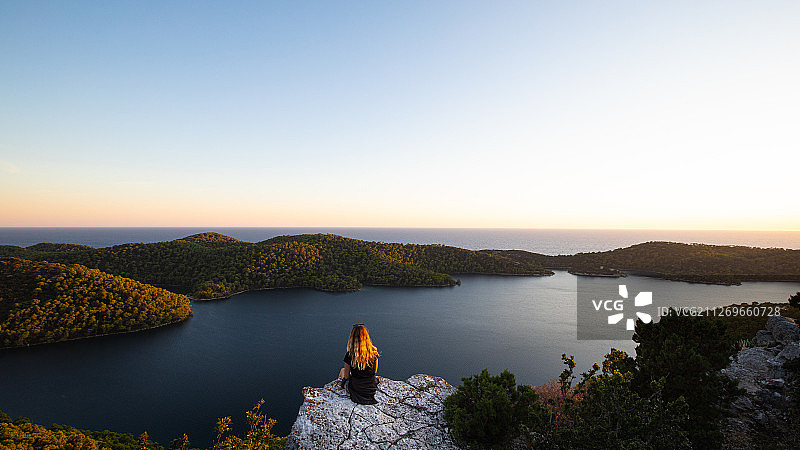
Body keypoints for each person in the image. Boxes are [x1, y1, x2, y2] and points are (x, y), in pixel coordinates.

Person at [338, 323, 380, 405]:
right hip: (371, 388)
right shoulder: (373, 352)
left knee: (342, 370)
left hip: (356, 388)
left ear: (352, 338)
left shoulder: (350, 354)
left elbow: (346, 376)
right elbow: (374, 371)